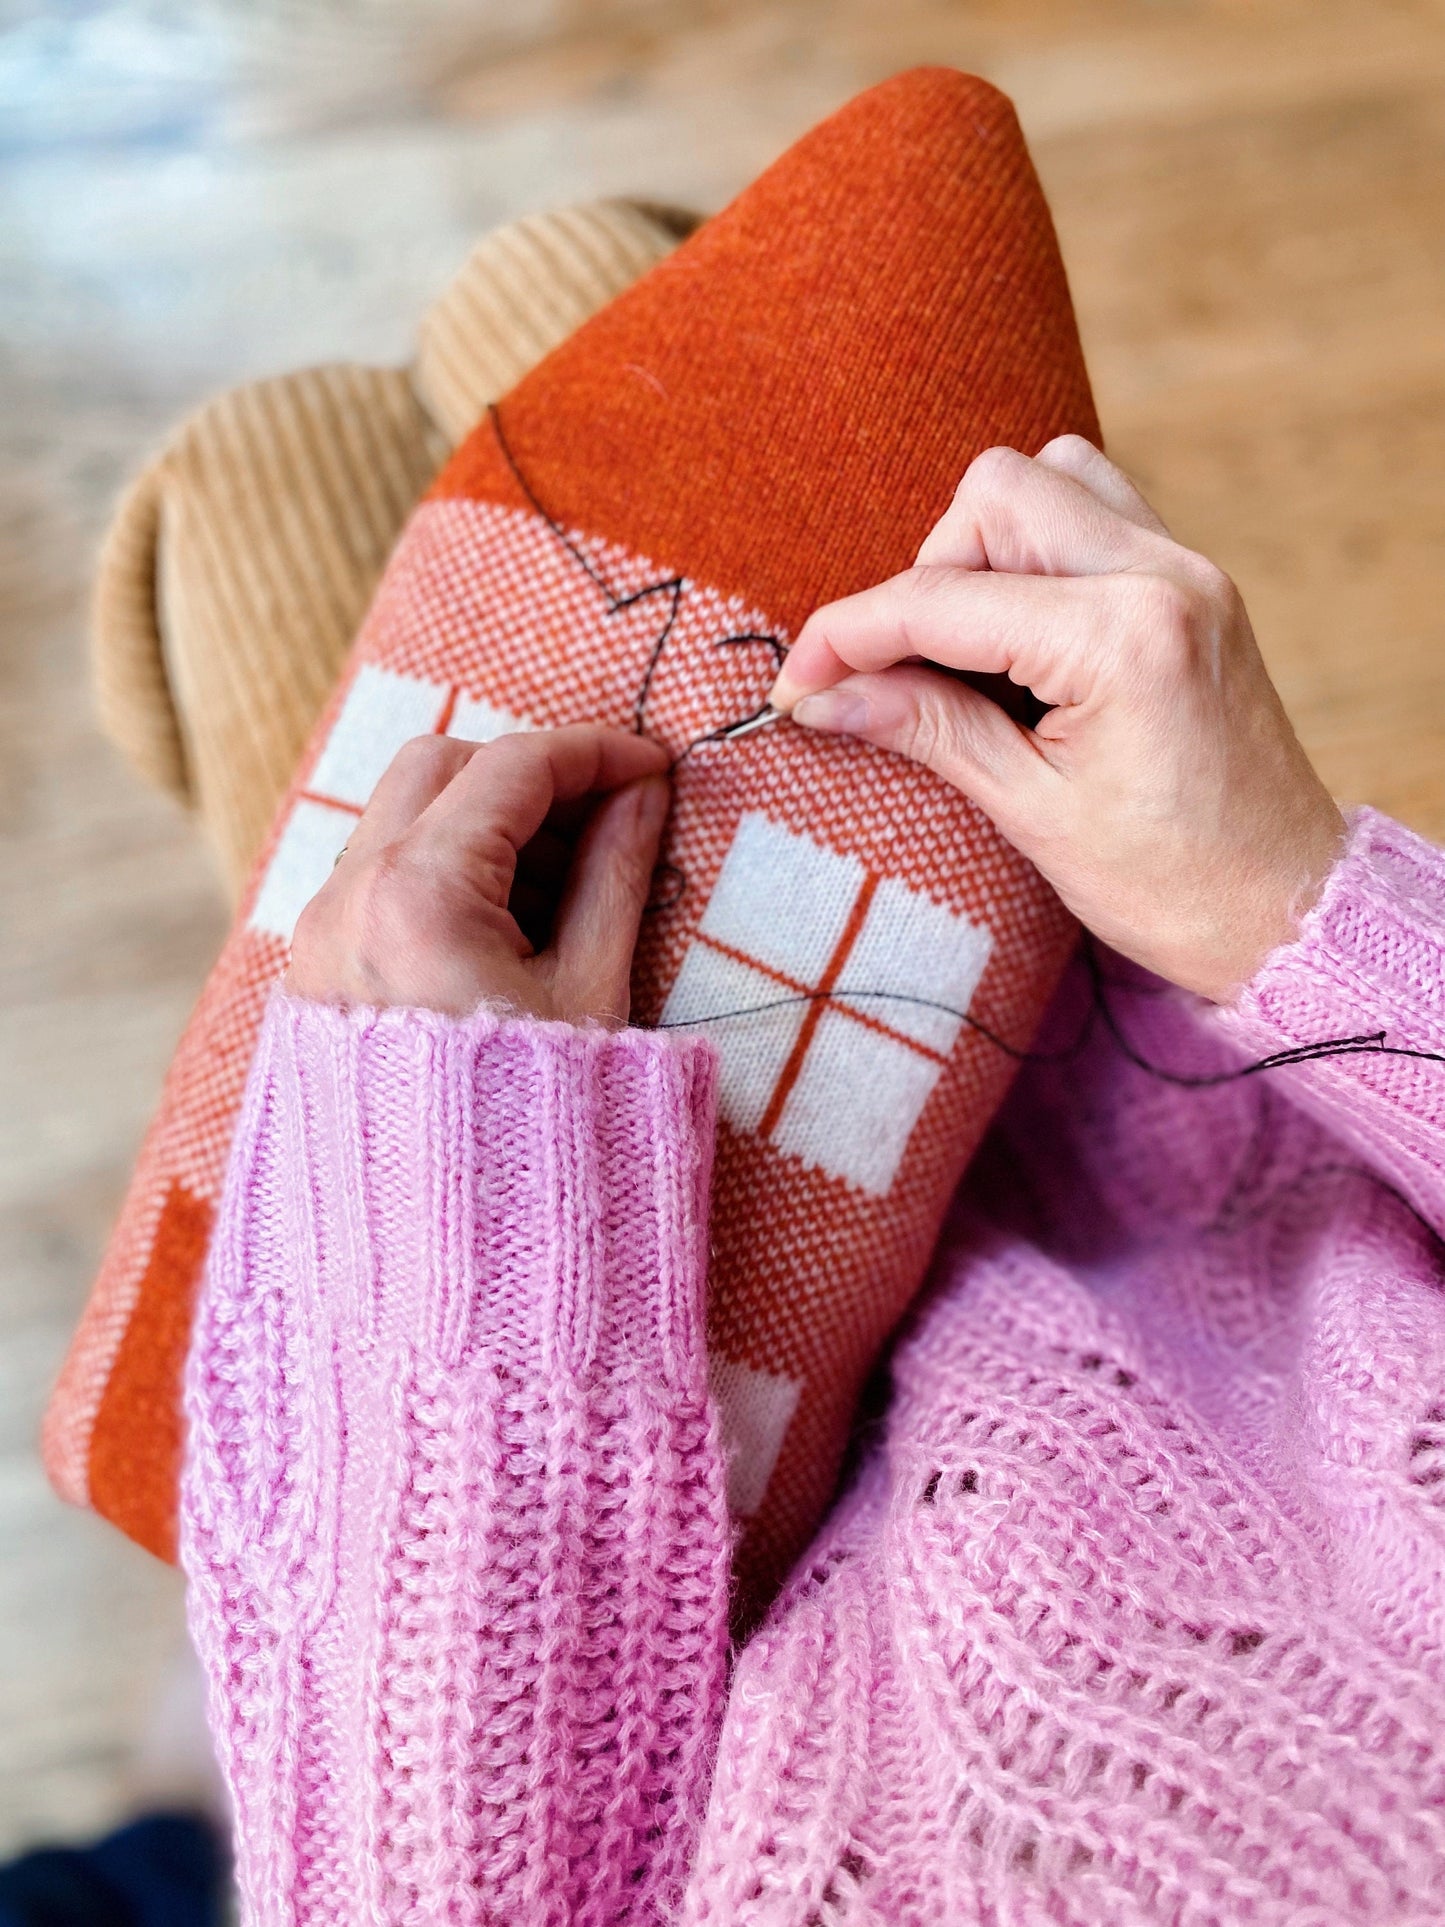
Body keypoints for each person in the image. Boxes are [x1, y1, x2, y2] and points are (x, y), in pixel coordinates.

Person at [181, 437, 1445, 1924]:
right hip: (1195, 1052)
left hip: (520, 1413)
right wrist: (1291, 902)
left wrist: (457, 1184)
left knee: (242, 493)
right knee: (602, 330)